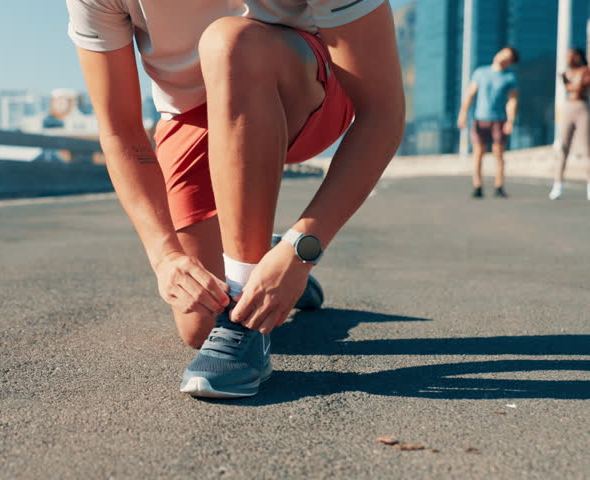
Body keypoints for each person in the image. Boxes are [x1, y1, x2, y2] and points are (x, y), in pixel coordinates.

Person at [65, 0, 404, 398]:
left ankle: (247, 316)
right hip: (192, 113)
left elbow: (383, 110)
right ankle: (263, 255)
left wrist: (303, 248)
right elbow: (119, 130)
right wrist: (164, 256)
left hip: (304, 86)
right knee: (198, 322)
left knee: (229, 42)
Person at [457, 47, 520, 199]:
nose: (502, 56)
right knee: (478, 154)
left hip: (499, 120)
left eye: (507, 56)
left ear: (510, 62)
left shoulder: (510, 77)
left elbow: (512, 101)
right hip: (480, 119)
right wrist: (463, 113)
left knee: (499, 154)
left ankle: (499, 187)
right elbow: (470, 94)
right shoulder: (480, 72)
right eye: (502, 52)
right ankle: (477, 186)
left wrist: (510, 121)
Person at [550, 48, 590, 201]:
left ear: (578, 57)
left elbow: (578, 88)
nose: (568, 58)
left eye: (571, 56)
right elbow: (570, 88)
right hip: (568, 108)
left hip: (582, 108)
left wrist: (570, 83)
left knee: (587, 149)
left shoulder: (585, 70)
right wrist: (570, 83)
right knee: (562, 147)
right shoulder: (566, 73)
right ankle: (557, 185)